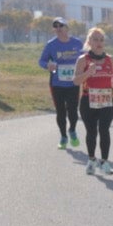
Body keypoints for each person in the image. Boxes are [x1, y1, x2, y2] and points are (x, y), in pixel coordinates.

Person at [72, 26, 113, 176]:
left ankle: (104, 162)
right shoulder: (83, 60)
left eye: (101, 40)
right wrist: (88, 72)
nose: (99, 43)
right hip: (88, 100)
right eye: (95, 39)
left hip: (106, 100)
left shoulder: (110, 59)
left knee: (104, 130)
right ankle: (92, 160)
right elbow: (76, 81)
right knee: (91, 131)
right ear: (89, 42)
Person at [39, 17, 84, 149]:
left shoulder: (77, 43)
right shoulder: (51, 44)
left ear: (67, 28)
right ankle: (63, 136)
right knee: (60, 112)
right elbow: (41, 61)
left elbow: (86, 57)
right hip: (57, 84)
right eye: (56, 26)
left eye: (61, 26)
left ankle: (72, 130)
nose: (58, 29)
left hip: (73, 83)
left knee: (73, 111)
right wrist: (48, 65)